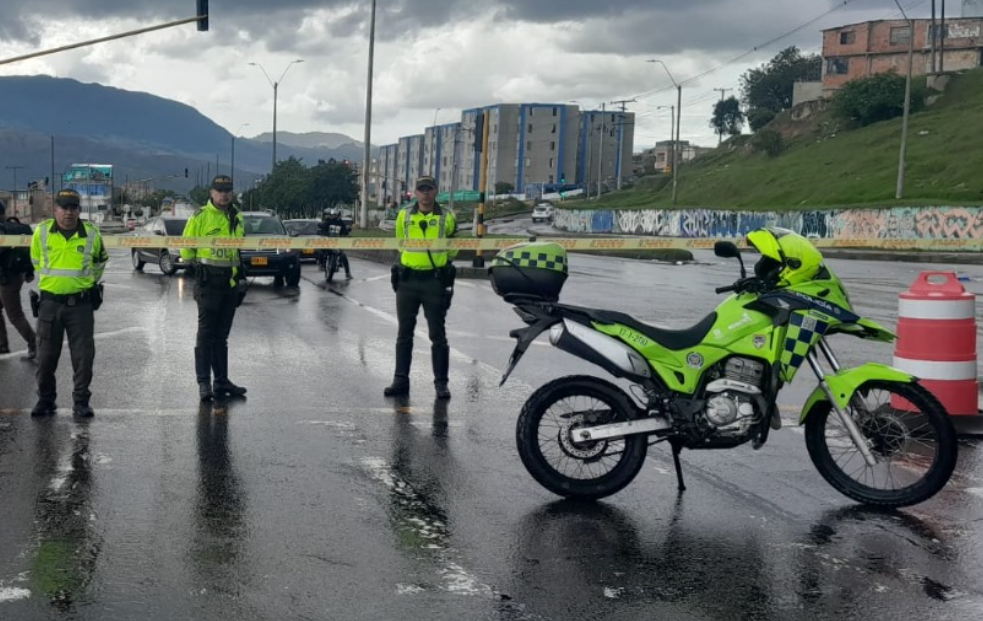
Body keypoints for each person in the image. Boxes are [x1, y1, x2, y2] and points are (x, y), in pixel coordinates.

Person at [29, 189, 109, 417]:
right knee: (45, 357)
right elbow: (36, 260)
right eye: (64, 207)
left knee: (83, 357)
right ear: (55, 210)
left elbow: (101, 260)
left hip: (81, 306)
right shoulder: (42, 232)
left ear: (79, 210)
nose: (68, 212)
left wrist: (85, 282)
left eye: (73, 207)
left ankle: (81, 402)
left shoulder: (91, 233)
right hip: (50, 305)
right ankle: (46, 400)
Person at [384, 175, 457, 400]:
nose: (425, 193)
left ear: (436, 191)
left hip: (434, 280)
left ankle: (441, 384)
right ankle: (400, 380)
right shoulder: (404, 215)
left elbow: (453, 248)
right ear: (415, 192)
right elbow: (399, 242)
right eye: (421, 189)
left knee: (438, 334)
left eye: (429, 189)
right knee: (404, 333)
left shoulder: (447, 216)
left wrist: (439, 262)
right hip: (408, 280)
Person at [181, 175, 248, 402]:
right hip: (209, 284)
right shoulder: (200, 217)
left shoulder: (236, 216)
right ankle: (204, 383)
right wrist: (199, 274)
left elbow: (238, 251)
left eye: (228, 190)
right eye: (220, 190)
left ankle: (221, 381)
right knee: (206, 335)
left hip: (229, 285)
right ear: (211, 193)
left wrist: (241, 281)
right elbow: (187, 251)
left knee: (221, 337)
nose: (224, 194)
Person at [0, 204, 38, 359]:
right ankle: (2, 344)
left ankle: (35, 344)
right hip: (15, 274)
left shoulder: (2, 230)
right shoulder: (15, 227)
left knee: (14, 314)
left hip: (8, 277)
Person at [317, 207, 352, 279]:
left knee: (343, 256)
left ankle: (347, 273)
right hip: (328, 241)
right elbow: (322, 227)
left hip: (338, 242)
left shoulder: (341, 222)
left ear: (339, 215)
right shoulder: (328, 221)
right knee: (321, 250)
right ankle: (321, 264)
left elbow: (345, 231)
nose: (335, 216)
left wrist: (345, 235)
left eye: (336, 215)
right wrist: (321, 229)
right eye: (334, 215)